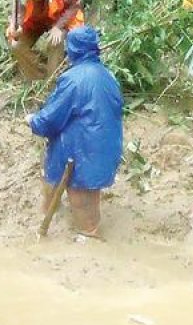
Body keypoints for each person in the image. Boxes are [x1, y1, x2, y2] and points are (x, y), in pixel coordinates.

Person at [26, 26, 123, 238]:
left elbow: (52, 117)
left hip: (81, 152)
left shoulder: (73, 79)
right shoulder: (108, 76)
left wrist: (34, 121)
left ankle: (88, 238)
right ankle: (58, 218)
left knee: (82, 205)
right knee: (86, 195)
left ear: (72, 50)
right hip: (105, 149)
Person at [6, 0, 84, 80]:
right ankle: (38, 76)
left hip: (59, 19)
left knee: (54, 41)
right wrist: (17, 26)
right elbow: (18, 10)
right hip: (36, 21)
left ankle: (53, 80)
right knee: (16, 45)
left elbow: (75, 4)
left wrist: (58, 26)